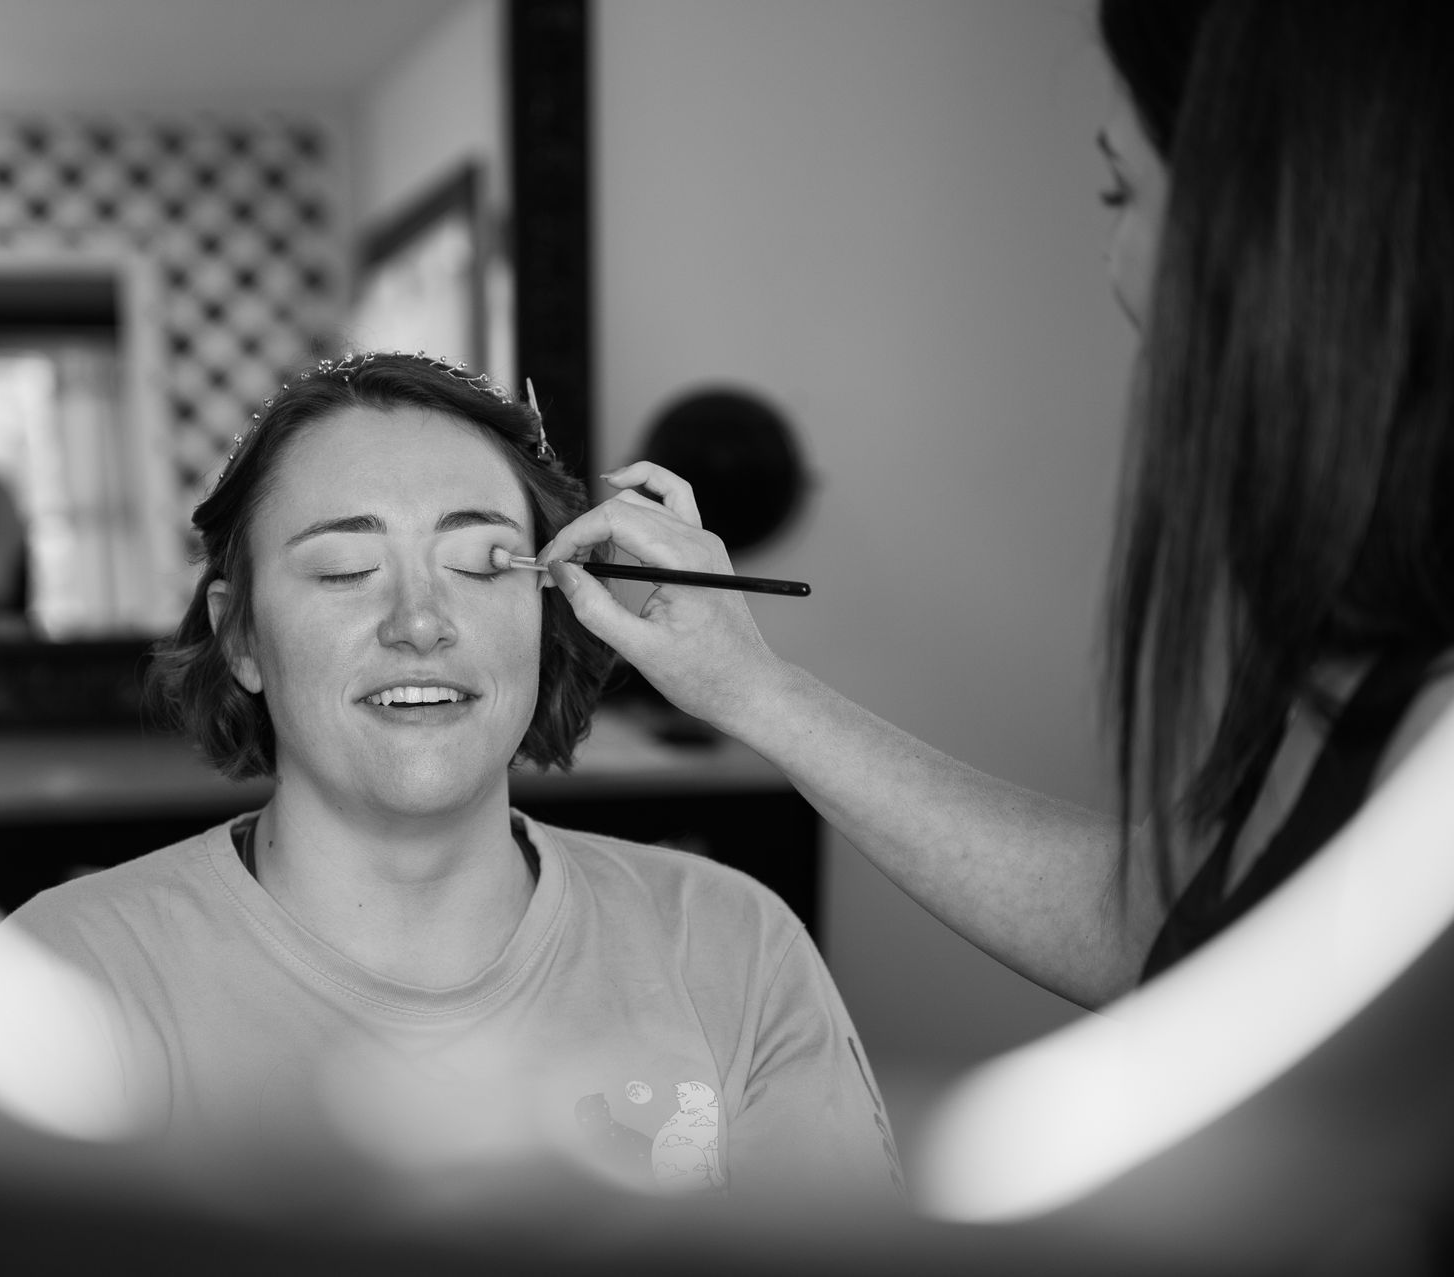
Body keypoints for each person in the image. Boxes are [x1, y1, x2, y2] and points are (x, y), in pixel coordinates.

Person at [537, 0, 1454, 1010]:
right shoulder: (1361, 638)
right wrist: (754, 688)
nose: (1118, 272)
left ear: (1283, 227)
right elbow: (1160, 926)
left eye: (1119, 190)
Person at [0, 352, 903, 1202]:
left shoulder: (735, 946)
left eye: (485, 562)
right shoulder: (68, 984)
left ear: (549, 605)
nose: (420, 622)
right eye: (344, 569)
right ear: (240, 633)